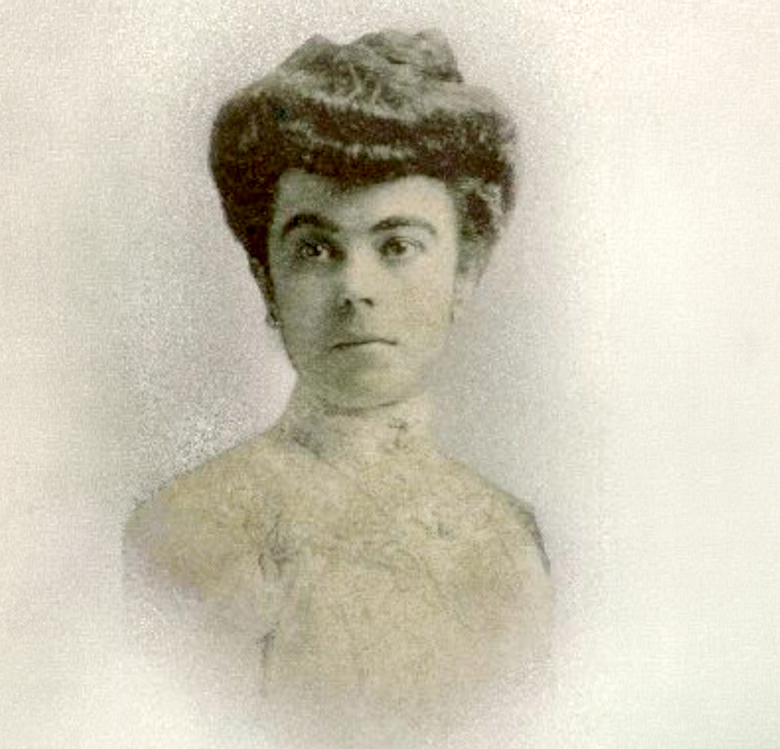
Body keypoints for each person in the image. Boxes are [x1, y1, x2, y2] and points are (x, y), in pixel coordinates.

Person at [123, 29, 553, 748]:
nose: (355, 288)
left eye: (397, 246)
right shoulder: (186, 530)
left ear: (465, 270)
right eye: (315, 248)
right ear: (267, 280)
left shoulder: (512, 542)